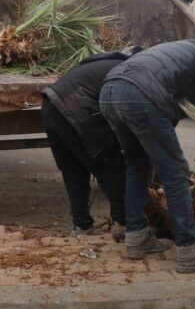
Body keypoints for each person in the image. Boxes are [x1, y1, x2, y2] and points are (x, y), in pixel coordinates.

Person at [99, 27, 195, 273]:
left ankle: (136, 239)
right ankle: (189, 251)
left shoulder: (183, 51)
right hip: (138, 93)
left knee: (138, 165)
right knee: (175, 173)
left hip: (111, 91)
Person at [42, 49, 142, 241]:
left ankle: (82, 226)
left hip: (50, 105)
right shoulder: (129, 70)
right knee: (111, 167)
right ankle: (125, 225)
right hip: (78, 108)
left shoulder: (104, 62)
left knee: (74, 171)